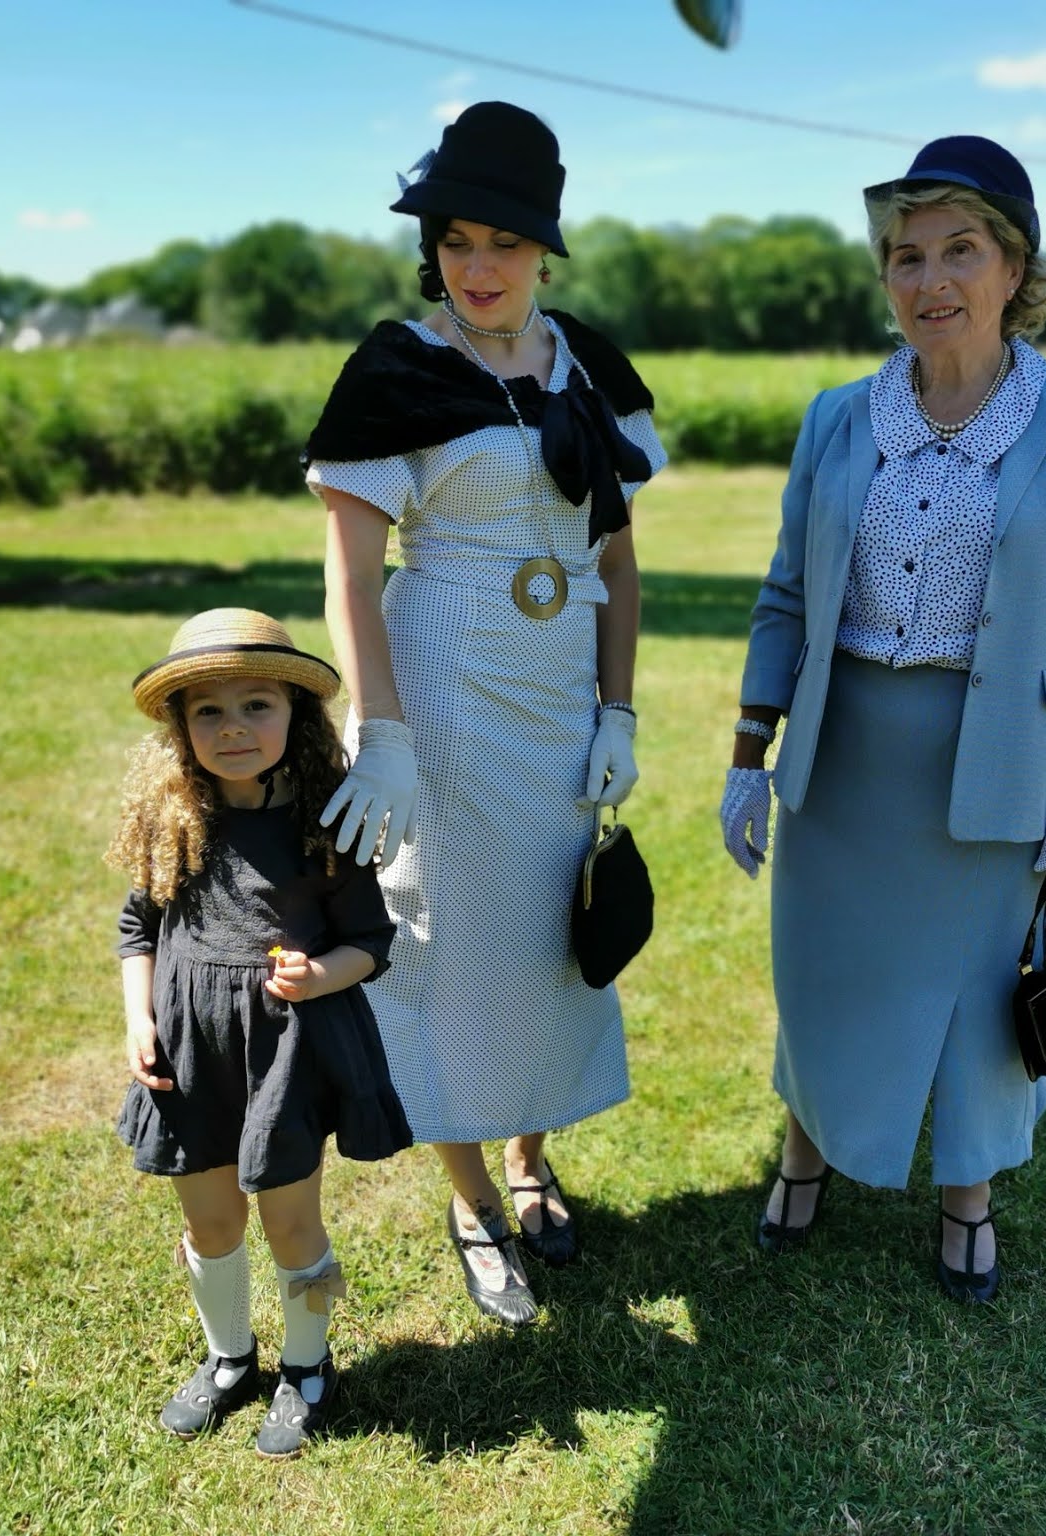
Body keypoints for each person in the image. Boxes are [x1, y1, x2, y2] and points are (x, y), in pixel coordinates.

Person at [720, 136, 1046, 1303]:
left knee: (975, 997)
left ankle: (967, 1195)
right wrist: (749, 757)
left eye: (960, 251)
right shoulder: (835, 419)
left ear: (1014, 269)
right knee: (822, 977)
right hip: (840, 759)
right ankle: (804, 1151)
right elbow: (784, 598)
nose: (930, 280)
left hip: (995, 759)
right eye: (905, 257)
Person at [302, 101, 666, 1327]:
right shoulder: (395, 368)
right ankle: (469, 1198)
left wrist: (619, 711)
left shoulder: (590, 368)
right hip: (442, 691)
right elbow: (351, 577)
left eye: (504, 242)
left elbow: (616, 560)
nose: (478, 267)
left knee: (544, 935)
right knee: (444, 940)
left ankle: (528, 1159)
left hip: (558, 697)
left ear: (544, 249)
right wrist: (380, 734)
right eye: (455, 242)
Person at [107, 607, 412, 1457]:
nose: (233, 728)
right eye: (209, 711)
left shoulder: (327, 825)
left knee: (290, 1225)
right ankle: (230, 1358)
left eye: (256, 705)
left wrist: (318, 976)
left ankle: (308, 1368)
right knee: (211, 1224)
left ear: (295, 714)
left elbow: (370, 944)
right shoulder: (174, 820)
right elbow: (137, 930)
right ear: (181, 728)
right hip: (190, 1058)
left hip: (284, 1057)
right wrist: (138, 1017)